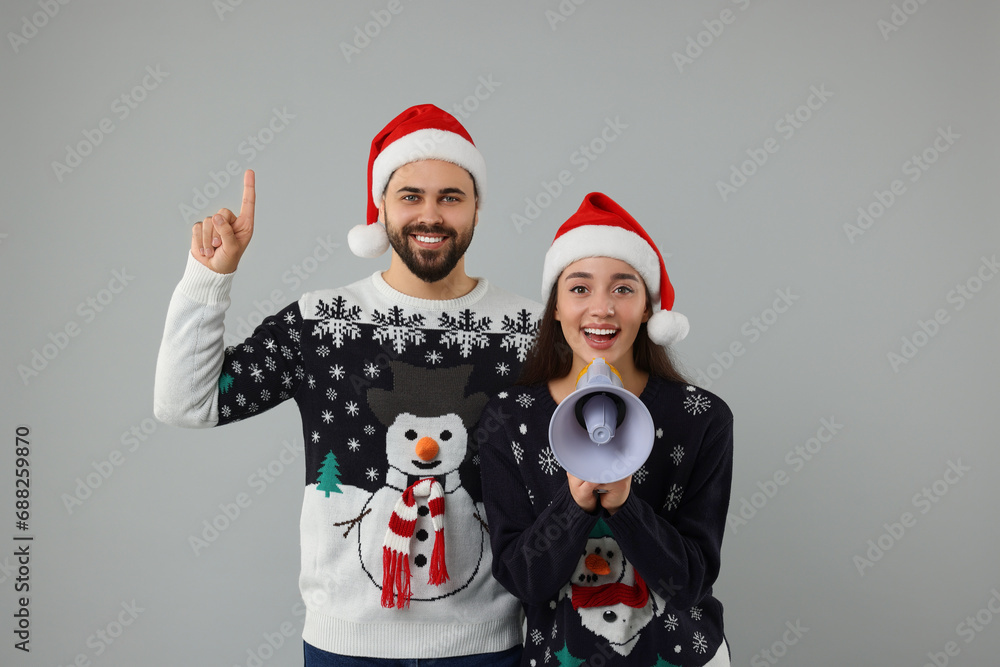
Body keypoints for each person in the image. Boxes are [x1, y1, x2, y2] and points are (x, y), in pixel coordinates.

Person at [154, 104, 541, 665]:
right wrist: (208, 278)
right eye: (410, 195)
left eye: (450, 197)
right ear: (380, 206)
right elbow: (186, 402)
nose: (430, 215)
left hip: (490, 646)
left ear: (477, 207)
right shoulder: (321, 322)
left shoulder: (532, 330)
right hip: (345, 649)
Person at [477, 192, 733, 667]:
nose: (601, 309)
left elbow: (689, 583)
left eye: (623, 289)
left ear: (648, 309)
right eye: (579, 289)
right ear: (554, 307)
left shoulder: (701, 418)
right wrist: (574, 506)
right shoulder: (509, 418)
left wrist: (626, 507)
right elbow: (523, 580)